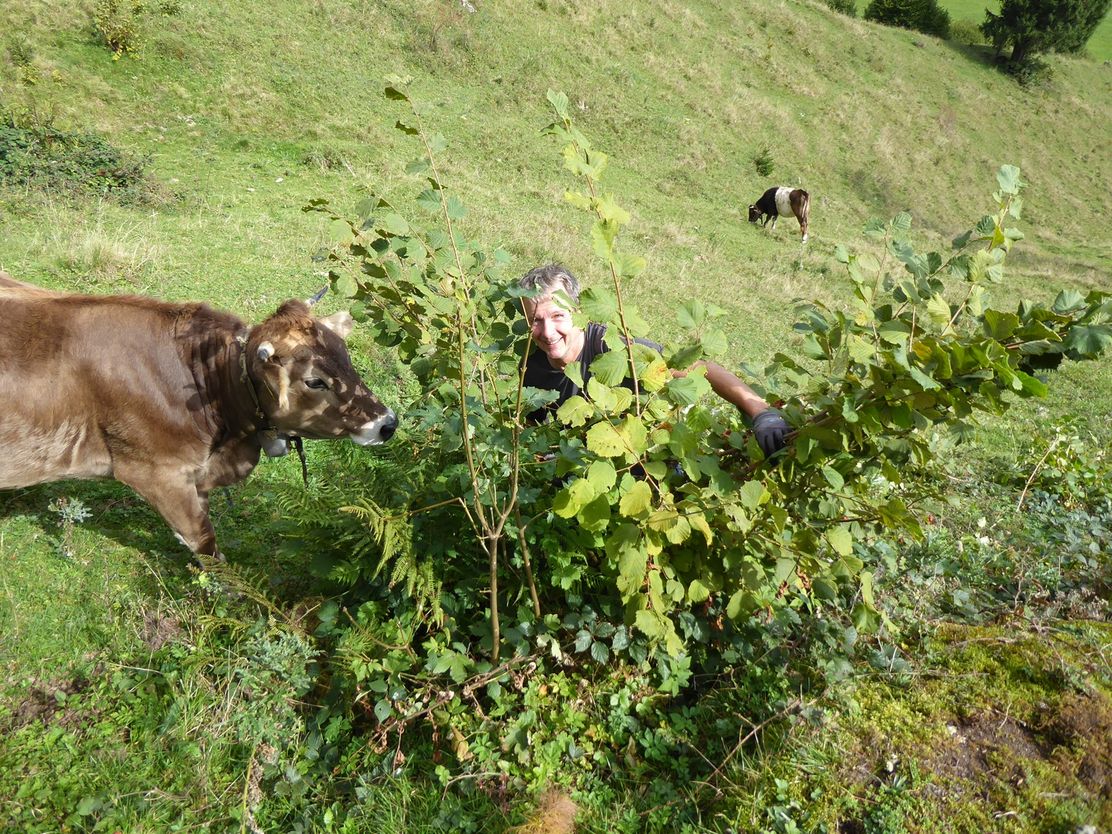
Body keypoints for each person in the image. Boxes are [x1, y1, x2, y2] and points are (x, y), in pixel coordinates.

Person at [517, 264, 791, 457]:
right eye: (535, 320)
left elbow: (699, 369)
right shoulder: (531, 367)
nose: (547, 332)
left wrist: (762, 412)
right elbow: (533, 429)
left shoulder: (615, 349)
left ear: (577, 311)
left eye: (557, 316)